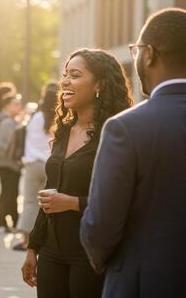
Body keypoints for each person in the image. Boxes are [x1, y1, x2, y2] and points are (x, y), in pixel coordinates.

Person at [80, 8, 186, 298]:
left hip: (141, 283)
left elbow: (100, 226)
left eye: (136, 51)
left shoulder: (126, 128)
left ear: (149, 54)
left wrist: (107, 264)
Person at [21, 49, 133, 298]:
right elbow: (49, 195)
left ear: (100, 84)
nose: (65, 81)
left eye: (75, 75)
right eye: (65, 74)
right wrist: (33, 247)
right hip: (51, 252)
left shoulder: (114, 134)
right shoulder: (64, 129)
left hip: (89, 255)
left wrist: (73, 203)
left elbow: (122, 202)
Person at [14, 82, 58, 250]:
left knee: (30, 201)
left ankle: (26, 241)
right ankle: (43, 240)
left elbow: (26, 138)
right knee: (46, 205)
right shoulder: (59, 118)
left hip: (33, 164)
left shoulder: (35, 117)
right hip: (50, 165)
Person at [0, 94, 23, 233]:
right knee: (8, 193)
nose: (19, 107)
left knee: (9, 193)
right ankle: (4, 223)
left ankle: (8, 222)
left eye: (19, 104)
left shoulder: (10, 121)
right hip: (7, 164)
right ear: (7, 106)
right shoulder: (8, 122)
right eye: (15, 104)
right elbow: (2, 145)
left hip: (7, 164)